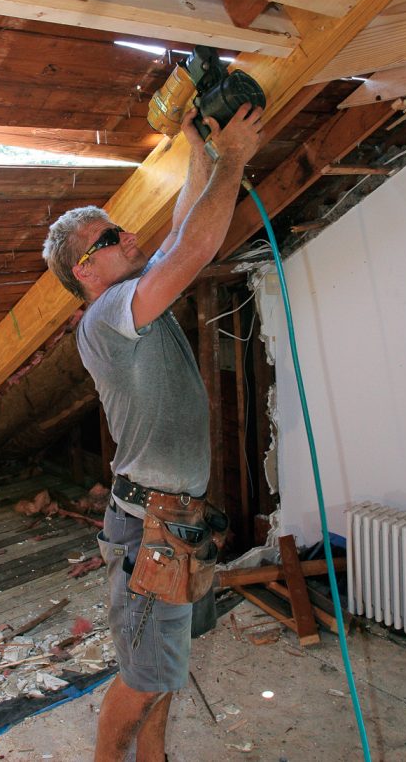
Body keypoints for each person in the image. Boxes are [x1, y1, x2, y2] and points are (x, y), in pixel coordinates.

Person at [42, 104, 262, 762]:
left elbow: (182, 236)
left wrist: (199, 155)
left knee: (166, 666)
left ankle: (154, 758)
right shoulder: (108, 315)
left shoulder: (137, 291)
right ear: (85, 270)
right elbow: (195, 248)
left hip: (178, 517)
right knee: (142, 680)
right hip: (150, 530)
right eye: (110, 239)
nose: (127, 237)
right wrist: (234, 161)